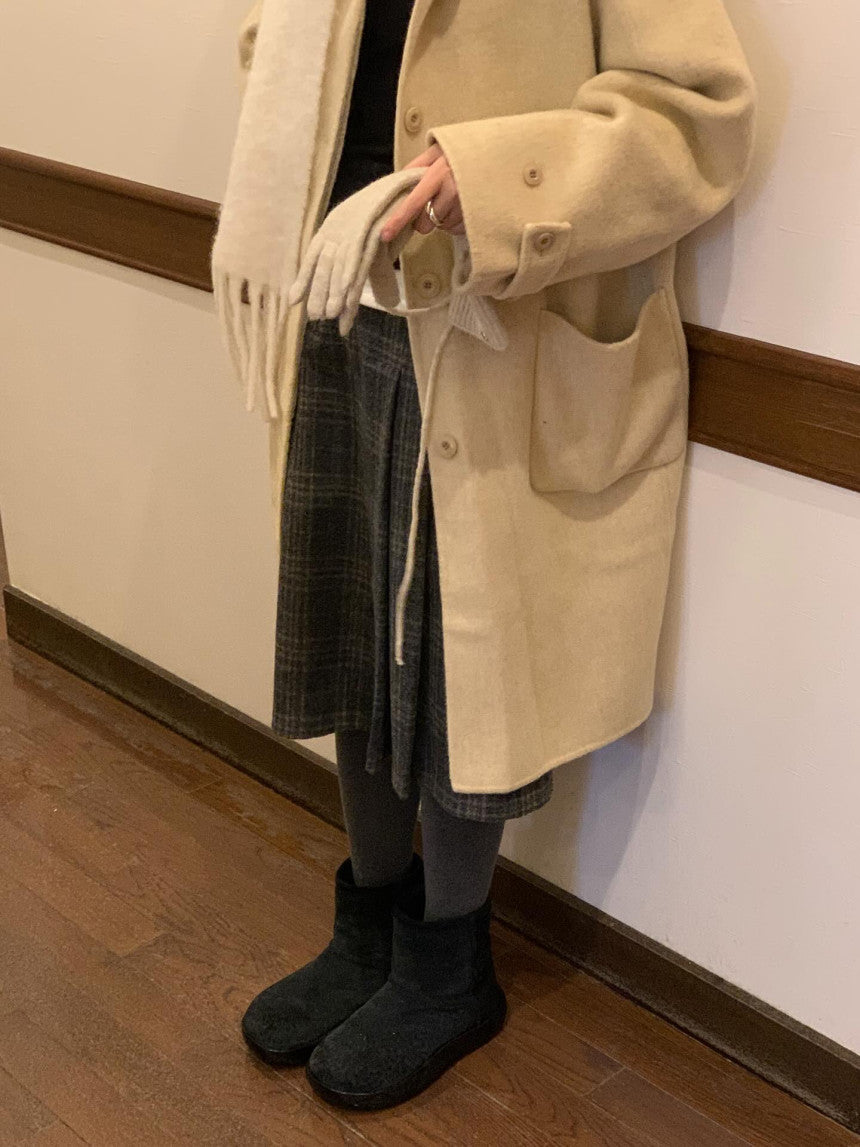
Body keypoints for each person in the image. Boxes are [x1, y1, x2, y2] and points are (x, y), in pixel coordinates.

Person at [215, 0, 758, 1113]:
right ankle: (369, 927)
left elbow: (695, 119)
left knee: (463, 665)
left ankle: (447, 963)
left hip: (491, 306)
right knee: (354, 628)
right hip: (336, 280)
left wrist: (484, 177)